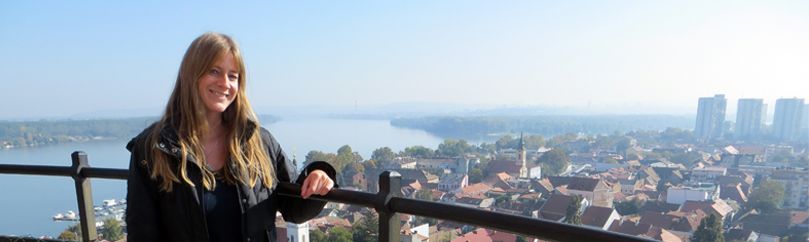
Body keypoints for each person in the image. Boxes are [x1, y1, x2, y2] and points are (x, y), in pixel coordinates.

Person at [125, 32, 337, 242]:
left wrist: (320, 174)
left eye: (233, 76)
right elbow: (142, 233)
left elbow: (295, 209)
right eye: (214, 71)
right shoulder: (153, 148)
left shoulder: (259, 141)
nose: (225, 83)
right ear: (191, 75)